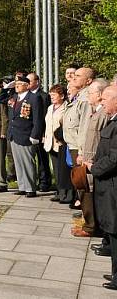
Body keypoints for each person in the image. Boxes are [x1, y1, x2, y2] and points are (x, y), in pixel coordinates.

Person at [83, 85, 117, 290]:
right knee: (112, 231)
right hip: (107, 185)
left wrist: (94, 167)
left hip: (113, 185)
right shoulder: (112, 121)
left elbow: (114, 158)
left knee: (115, 230)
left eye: (105, 99)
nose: (102, 102)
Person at [75, 79, 109, 237]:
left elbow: (102, 140)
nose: (88, 95)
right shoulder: (95, 110)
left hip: (95, 160)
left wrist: (93, 159)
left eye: (91, 93)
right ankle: (89, 224)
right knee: (85, 190)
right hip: (87, 158)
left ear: (100, 94)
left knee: (90, 193)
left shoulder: (104, 114)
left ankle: (92, 227)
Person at [5, 75, 43, 197]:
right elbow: (1, 99)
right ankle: (22, 186)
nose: (16, 87)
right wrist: (7, 87)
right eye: (16, 85)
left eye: (19, 84)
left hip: (26, 134)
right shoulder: (15, 97)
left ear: (27, 86)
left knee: (27, 162)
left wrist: (35, 135)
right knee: (18, 163)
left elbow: (38, 119)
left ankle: (30, 188)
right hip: (14, 134)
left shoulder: (34, 98)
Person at [43, 84, 73, 204]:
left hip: (61, 142)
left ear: (62, 96)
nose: (52, 97)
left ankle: (67, 193)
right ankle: (59, 191)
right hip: (50, 142)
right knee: (55, 168)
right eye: (51, 95)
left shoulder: (66, 108)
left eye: (54, 95)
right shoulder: (50, 108)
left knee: (63, 170)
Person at [28, 72, 53, 192]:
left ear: (37, 82)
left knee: (42, 158)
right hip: (28, 131)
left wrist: (43, 133)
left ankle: (45, 182)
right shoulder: (26, 95)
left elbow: (44, 116)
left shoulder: (43, 96)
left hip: (40, 131)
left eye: (30, 81)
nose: (27, 83)